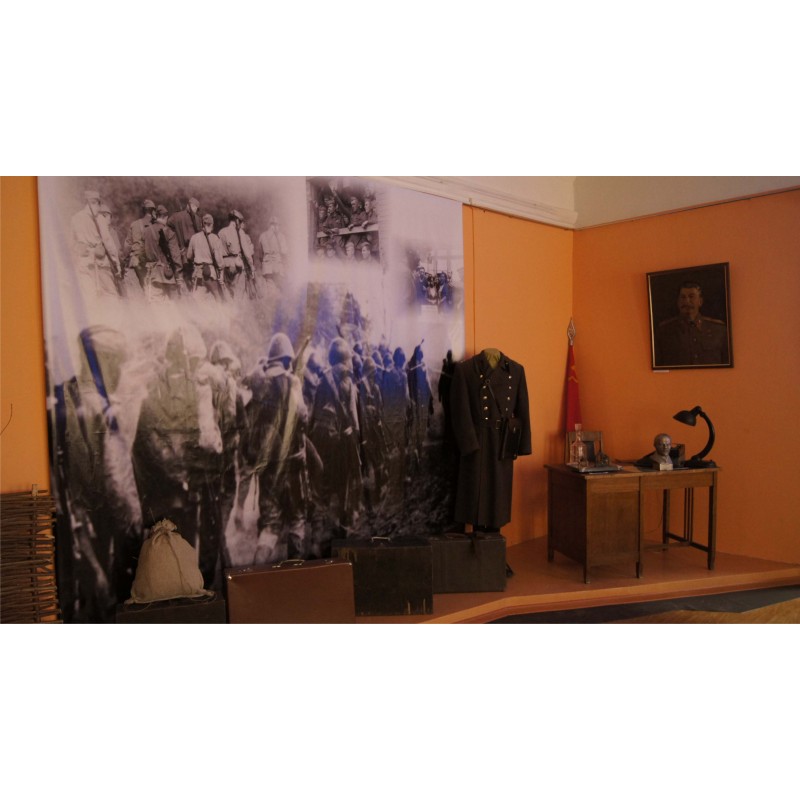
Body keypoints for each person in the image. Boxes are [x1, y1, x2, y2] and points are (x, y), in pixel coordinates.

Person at [54, 325, 143, 622]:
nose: (119, 372)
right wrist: (134, 528)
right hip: (99, 519)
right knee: (108, 599)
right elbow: (117, 480)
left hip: (71, 518)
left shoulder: (65, 397)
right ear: (106, 363)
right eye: (116, 363)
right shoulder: (105, 411)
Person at [132, 325, 226, 588]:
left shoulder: (152, 390)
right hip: (185, 485)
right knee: (186, 547)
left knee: (163, 553)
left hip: (164, 487)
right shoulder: (195, 388)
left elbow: (143, 445)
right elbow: (206, 439)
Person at [245, 333, 309, 562]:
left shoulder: (258, 384)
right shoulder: (292, 382)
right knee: (297, 520)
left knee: (270, 527)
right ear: (286, 359)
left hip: (267, 467)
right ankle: (296, 575)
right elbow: (303, 416)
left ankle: (256, 572)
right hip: (291, 465)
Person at [308, 337, 363, 547]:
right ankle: (342, 529)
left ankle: (316, 538)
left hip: (320, 440)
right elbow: (353, 418)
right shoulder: (349, 381)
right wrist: (356, 440)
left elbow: (312, 414)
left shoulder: (322, 379)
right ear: (346, 358)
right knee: (343, 485)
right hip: (341, 440)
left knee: (321, 488)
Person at [655, 281, 729, 366]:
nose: (687, 301)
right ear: (678, 302)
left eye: (691, 296)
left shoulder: (719, 330)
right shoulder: (664, 331)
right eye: (683, 297)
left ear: (700, 301)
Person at [69, 190, 124, 299]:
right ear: (97, 202)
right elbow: (108, 242)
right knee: (110, 295)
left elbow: (71, 243)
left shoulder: (75, 218)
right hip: (101, 262)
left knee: (89, 297)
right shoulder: (100, 219)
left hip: (84, 262)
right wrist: (116, 263)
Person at [142, 204, 185, 301]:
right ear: (166, 217)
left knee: (157, 304)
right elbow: (175, 256)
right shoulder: (169, 232)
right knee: (174, 304)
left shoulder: (146, 231)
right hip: (167, 273)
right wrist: (179, 276)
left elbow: (143, 252)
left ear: (156, 216)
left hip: (152, 273)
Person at [185, 213, 226, 300]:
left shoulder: (194, 237)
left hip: (198, 273)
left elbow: (189, 256)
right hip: (211, 273)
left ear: (201, 224)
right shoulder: (215, 238)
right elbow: (219, 261)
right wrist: (221, 273)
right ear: (212, 225)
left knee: (198, 300)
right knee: (218, 298)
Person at [122, 199, 157, 290]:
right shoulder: (156, 226)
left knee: (141, 288)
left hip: (137, 262)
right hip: (152, 262)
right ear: (152, 211)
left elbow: (127, 245)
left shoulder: (134, 224)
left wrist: (124, 261)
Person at [168, 197, 202, 287]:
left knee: (181, 278)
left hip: (179, 251)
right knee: (192, 279)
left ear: (187, 205)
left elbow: (168, 224)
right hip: (193, 253)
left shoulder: (176, 216)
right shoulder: (198, 219)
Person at [219, 210, 252, 299]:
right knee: (239, 292)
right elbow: (247, 252)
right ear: (237, 221)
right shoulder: (240, 232)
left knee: (228, 291)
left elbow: (218, 252)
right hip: (237, 264)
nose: (240, 224)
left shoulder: (221, 232)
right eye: (240, 221)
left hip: (225, 265)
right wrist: (251, 266)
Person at [257, 215, 288, 287]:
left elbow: (260, 255)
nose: (278, 227)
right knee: (279, 288)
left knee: (270, 287)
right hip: (278, 267)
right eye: (278, 225)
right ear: (275, 225)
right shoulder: (281, 236)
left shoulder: (262, 236)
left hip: (267, 267)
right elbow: (284, 252)